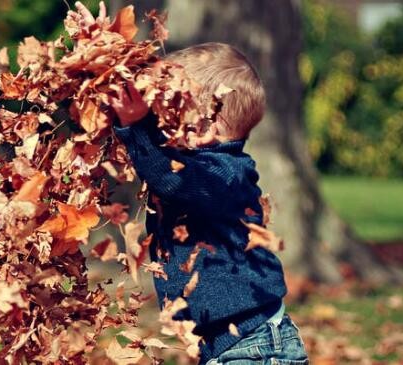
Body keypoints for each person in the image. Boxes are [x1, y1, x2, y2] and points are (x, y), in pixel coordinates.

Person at [110, 42, 310, 365]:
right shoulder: (200, 170)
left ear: (204, 126)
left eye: (169, 112)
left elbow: (172, 180)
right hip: (230, 347)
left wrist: (136, 128)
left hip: (255, 348)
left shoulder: (224, 175)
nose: (158, 124)